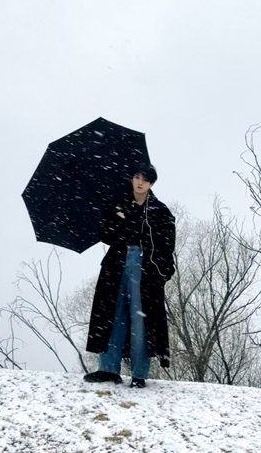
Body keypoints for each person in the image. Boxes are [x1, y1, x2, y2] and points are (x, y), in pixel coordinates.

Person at [84, 163, 175, 388]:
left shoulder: (160, 211)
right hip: (116, 265)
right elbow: (105, 234)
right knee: (112, 317)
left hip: (145, 266)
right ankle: (108, 369)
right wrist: (120, 221)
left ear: (152, 183)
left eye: (145, 179)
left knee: (140, 319)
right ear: (132, 179)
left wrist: (161, 271)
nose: (140, 182)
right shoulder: (118, 204)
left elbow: (167, 244)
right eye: (136, 177)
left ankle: (139, 374)